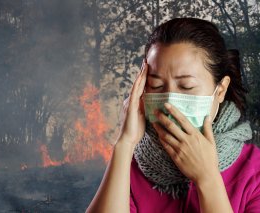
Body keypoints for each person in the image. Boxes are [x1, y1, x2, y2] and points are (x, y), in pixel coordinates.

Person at [85, 17, 260, 213]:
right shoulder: (129, 168)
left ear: (220, 90)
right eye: (156, 86)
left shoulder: (254, 171)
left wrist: (207, 178)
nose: (169, 102)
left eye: (186, 86)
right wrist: (124, 144)